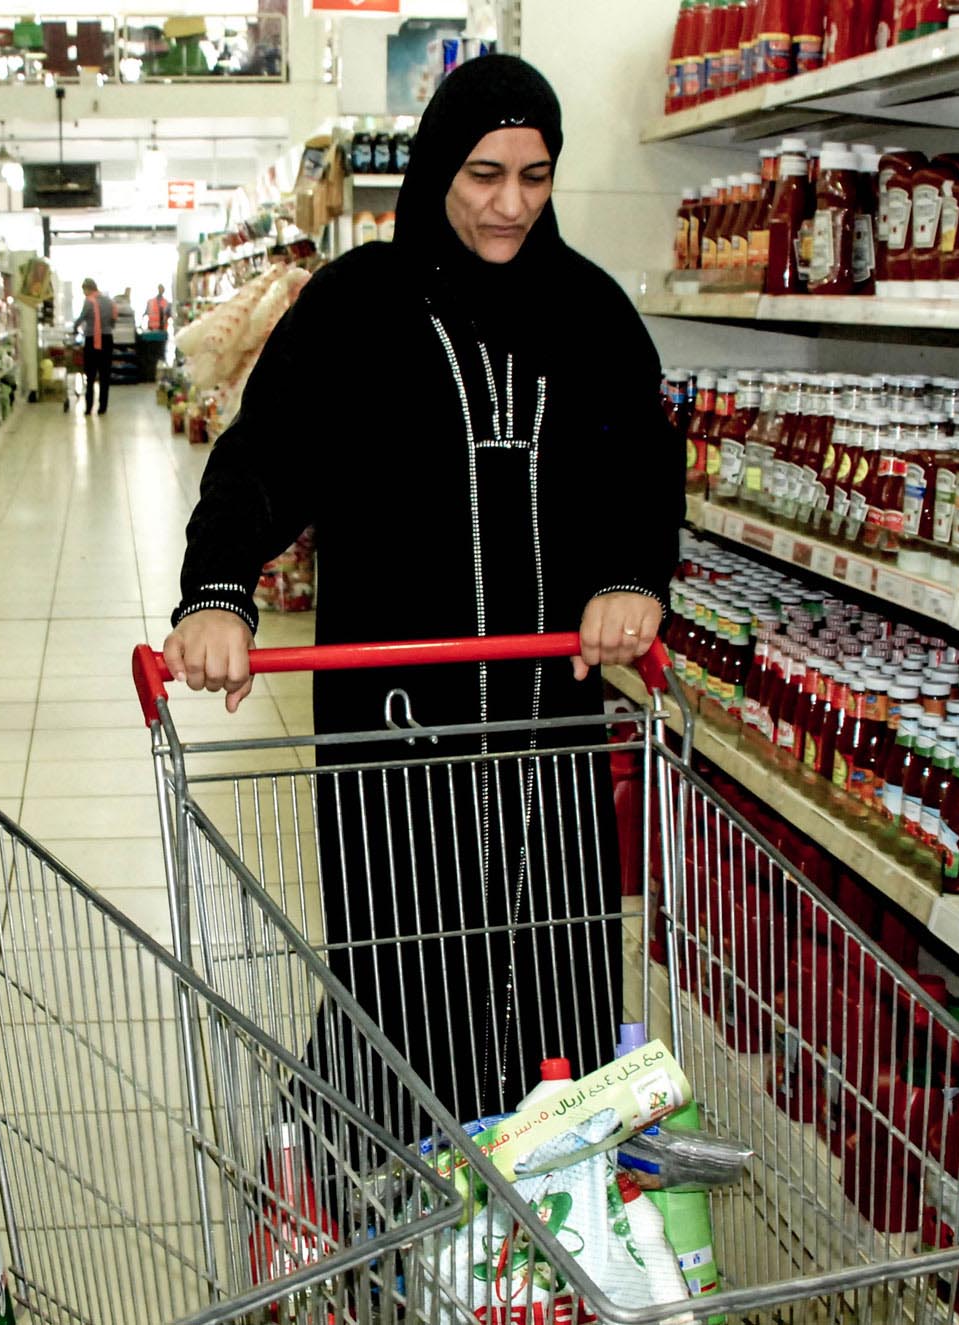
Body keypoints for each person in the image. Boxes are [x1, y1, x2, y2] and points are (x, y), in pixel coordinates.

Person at [161, 56, 682, 1126]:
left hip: (548, 719)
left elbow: (640, 462)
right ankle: (390, 1196)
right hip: (397, 723)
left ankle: (553, 1204)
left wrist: (630, 579)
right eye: (483, 172)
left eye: (534, 177)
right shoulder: (356, 307)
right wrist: (216, 586)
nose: (508, 204)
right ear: (440, 162)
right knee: (405, 970)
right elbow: (264, 459)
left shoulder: (587, 311)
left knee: (558, 968)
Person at [73, 276, 114, 414]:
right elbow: (114, 319)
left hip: (92, 341)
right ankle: (103, 407)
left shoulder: (89, 301)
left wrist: (74, 328)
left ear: (88, 288)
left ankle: (89, 407)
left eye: (84, 290)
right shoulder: (109, 301)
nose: (84, 293)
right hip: (107, 340)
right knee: (104, 375)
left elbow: (81, 317)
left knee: (90, 375)